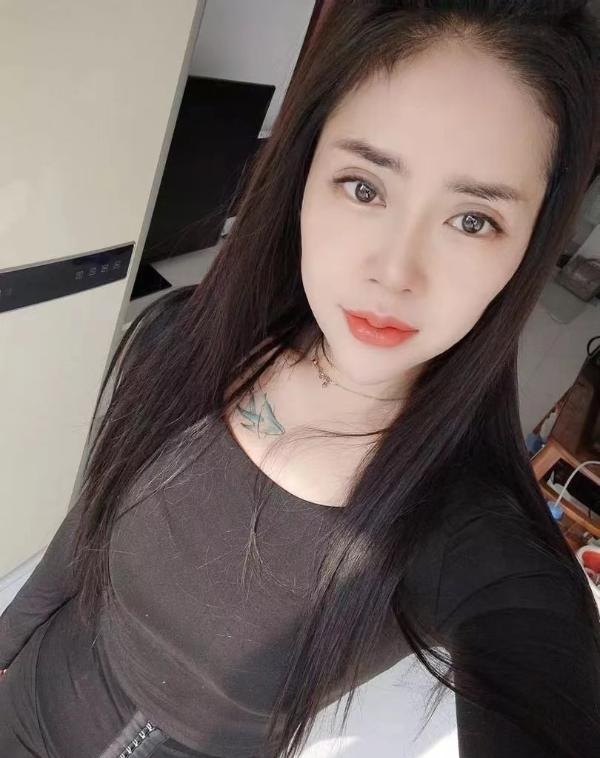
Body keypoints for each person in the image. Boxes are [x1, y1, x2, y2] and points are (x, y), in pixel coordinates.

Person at [1, 1, 600, 757]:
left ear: (529, 248)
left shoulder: (475, 546)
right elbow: (84, 531)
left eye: (473, 219)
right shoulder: (177, 337)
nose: (394, 272)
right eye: (364, 186)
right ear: (304, 175)